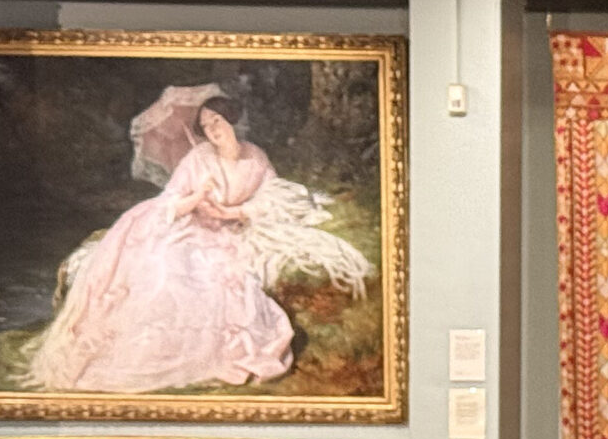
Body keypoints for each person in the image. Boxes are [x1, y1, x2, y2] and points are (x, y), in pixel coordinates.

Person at [28, 94, 365, 394]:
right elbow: (171, 200)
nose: (212, 130)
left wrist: (234, 211)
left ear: (232, 119)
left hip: (228, 231)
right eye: (206, 125)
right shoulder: (199, 158)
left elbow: (271, 197)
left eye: (217, 121)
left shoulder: (255, 157)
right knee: (169, 269)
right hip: (191, 226)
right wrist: (199, 199)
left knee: (225, 283)